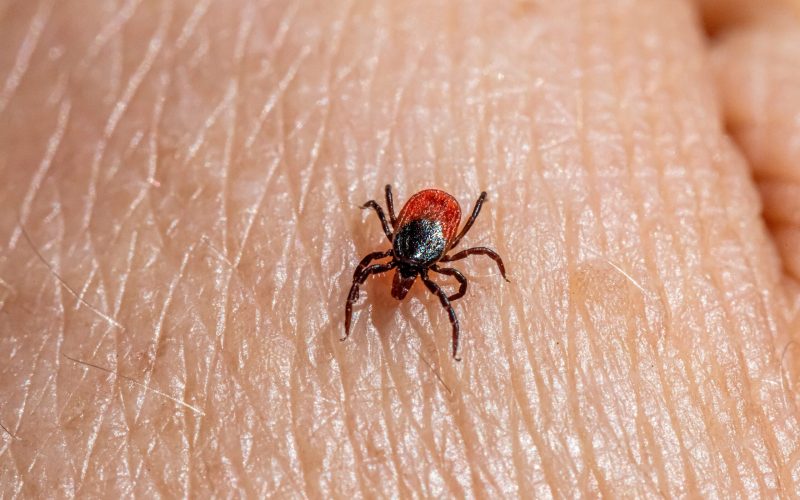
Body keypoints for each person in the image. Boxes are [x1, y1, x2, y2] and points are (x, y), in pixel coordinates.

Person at [1, 0, 799, 496]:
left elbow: (434, 255)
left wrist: (430, 274)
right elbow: (406, 257)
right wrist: (384, 285)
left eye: (409, 273)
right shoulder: (418, 254)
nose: (406, 280)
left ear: (417, 258)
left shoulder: (420, 250)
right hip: (434, 211)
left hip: (434, 209)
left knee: (463, 250)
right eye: (404, 272)